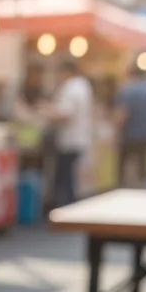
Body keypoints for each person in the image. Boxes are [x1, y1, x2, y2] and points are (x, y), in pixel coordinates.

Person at [48, 58, 93, 207]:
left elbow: (65, 115)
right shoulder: (84, 85)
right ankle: (69, 205)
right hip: (79, 139)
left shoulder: (70, 87)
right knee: (70, 177)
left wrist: (46, 114)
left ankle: (65, 206)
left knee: (65, 178)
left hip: (69, 140)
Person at [114, 63, 146, 187]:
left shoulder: (126, 91)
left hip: (128, 134)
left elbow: (122, 114)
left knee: (125, 166)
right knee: (141, 166)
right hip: (145, 133)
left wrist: (116, 133)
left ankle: (125, 189)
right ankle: (140, 188)